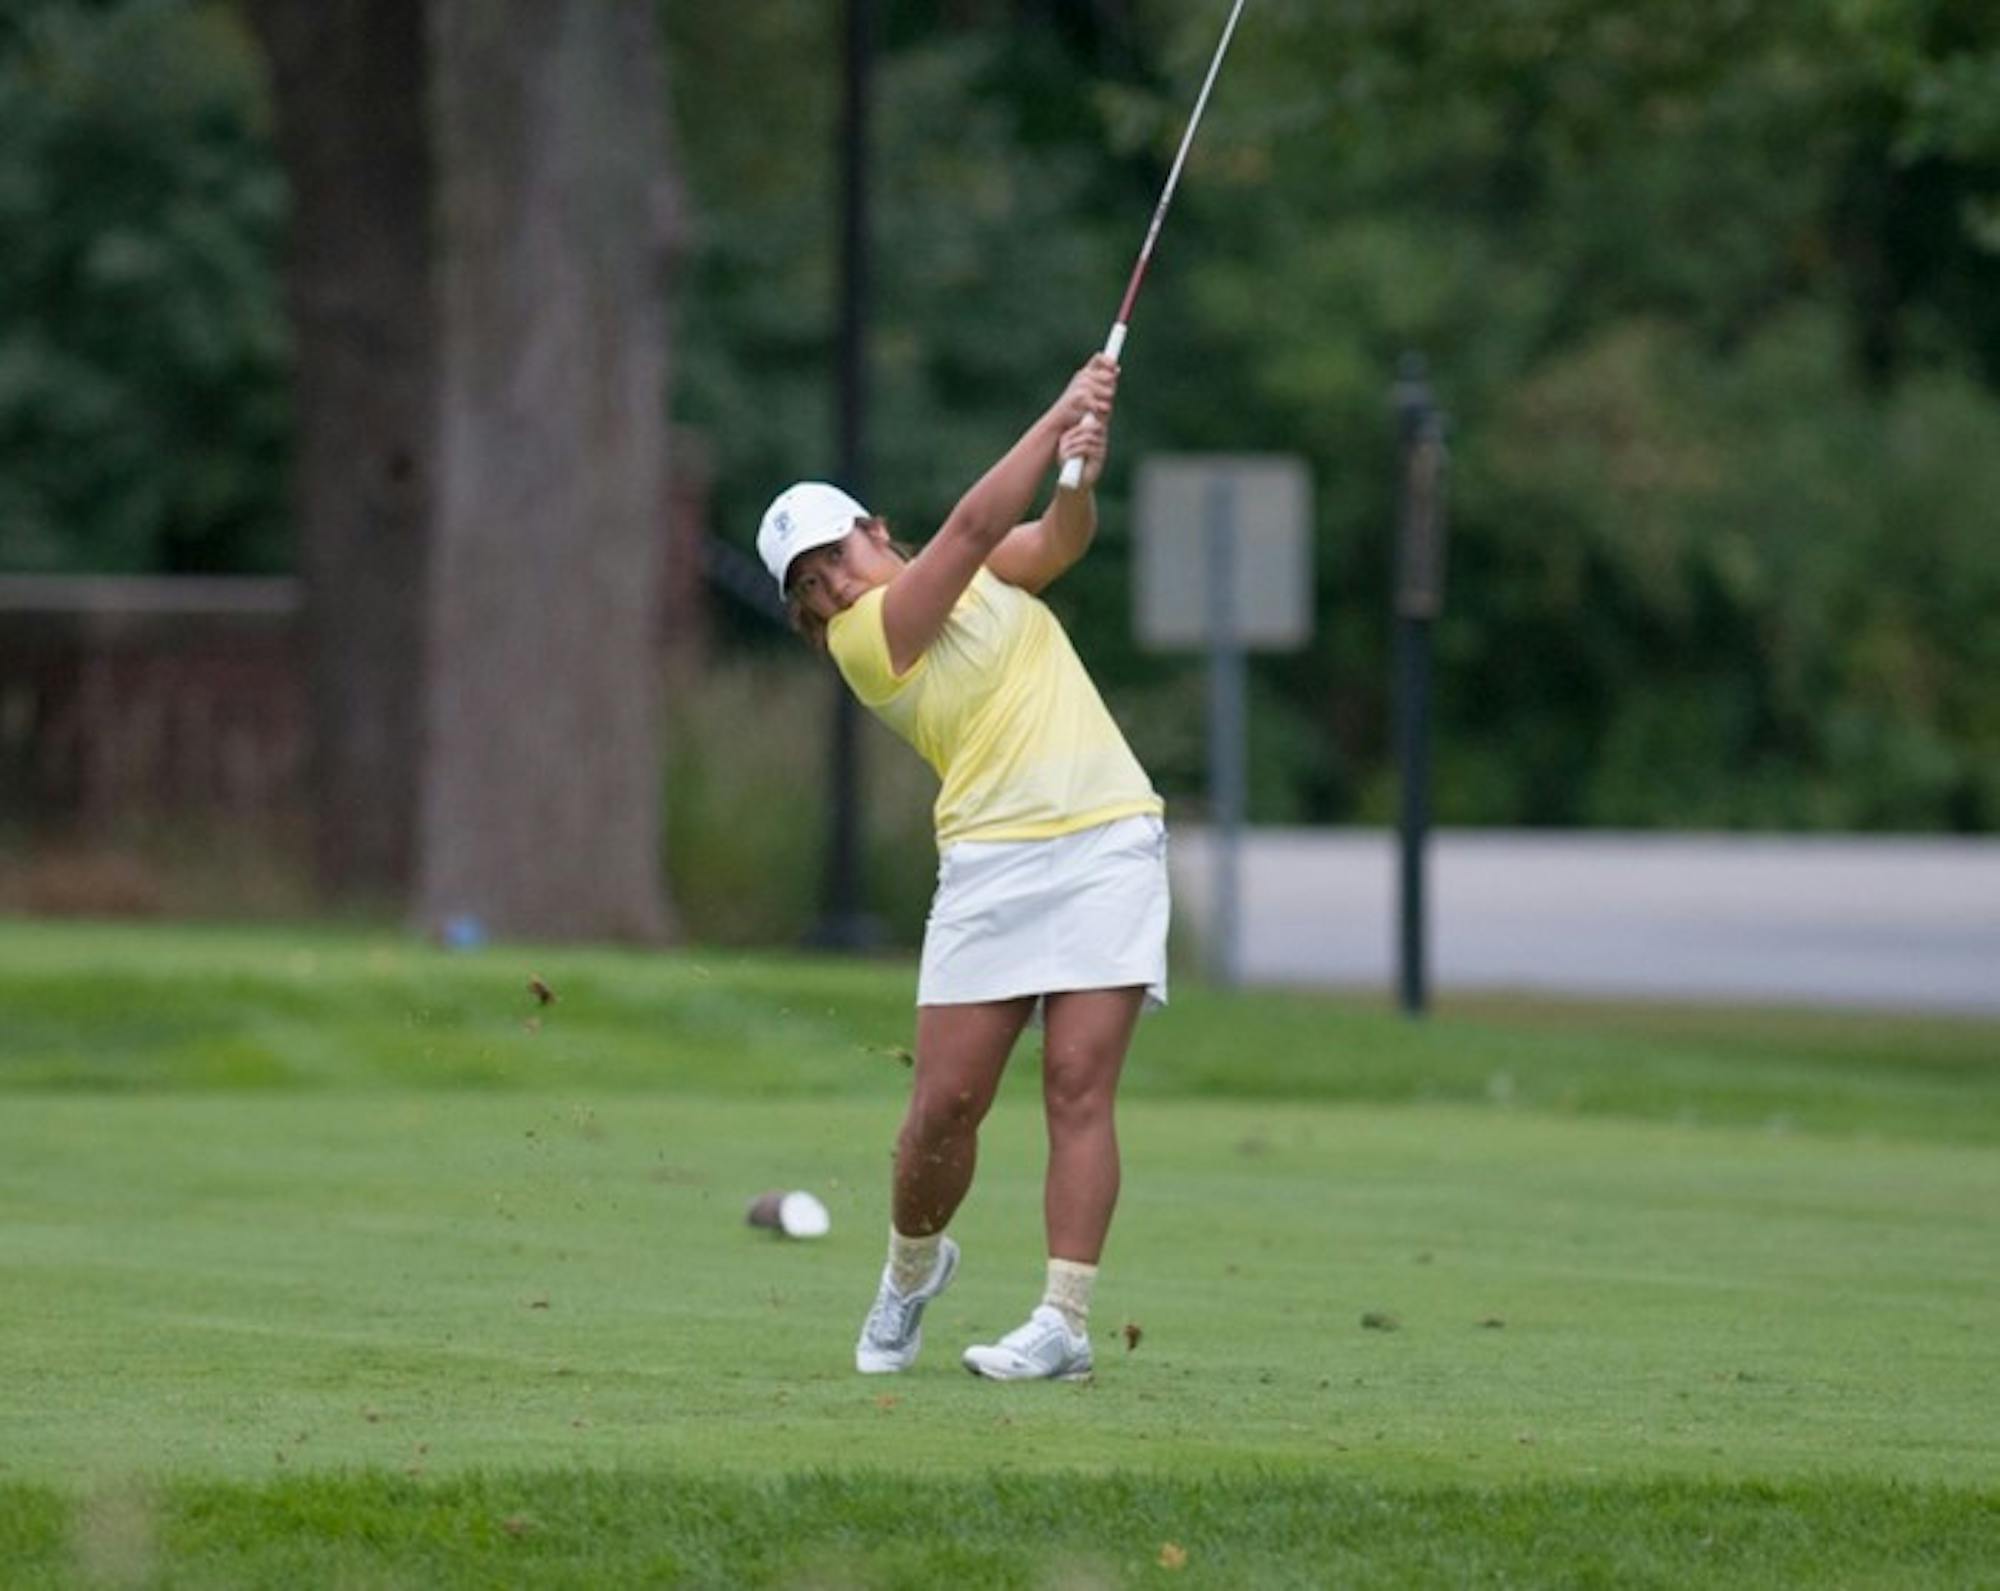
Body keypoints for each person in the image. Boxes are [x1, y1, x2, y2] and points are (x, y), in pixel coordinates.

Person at [755, 353, 1168, 1382]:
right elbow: (978, 526)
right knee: (943, 1108)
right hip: (990, 864)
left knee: (1077, 1086)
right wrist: (1055, 409)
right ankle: (909, 1273)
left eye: (835, 553)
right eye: (810, 585)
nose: (832, 581)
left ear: (872, 528)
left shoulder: (977, 579)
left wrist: (1078, 470)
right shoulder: (868, 639)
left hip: (1108, 833)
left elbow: (1051, 540)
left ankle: (1062, 1322)